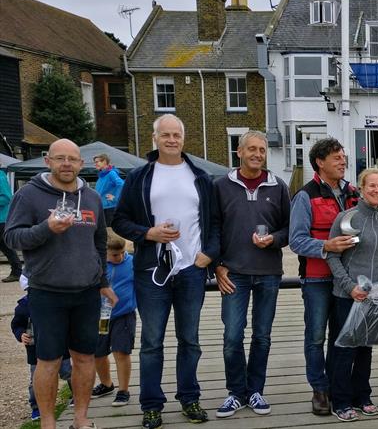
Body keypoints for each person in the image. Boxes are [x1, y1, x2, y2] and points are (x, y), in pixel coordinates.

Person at [112, 114, 219, 428]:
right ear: (155, 138)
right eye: (166, 135)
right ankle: (151, 405)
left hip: (191, 270)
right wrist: (148, 233)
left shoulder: (200, 176)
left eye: (177, 135)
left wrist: (208, 255)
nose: (172, 140)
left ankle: (189, 398)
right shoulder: (139, 177)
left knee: (190, 340)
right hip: (151, 270)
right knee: (152, 341)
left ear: (184, 139)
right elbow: (119, 220)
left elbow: (214, 224)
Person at [4, 138, 117, 429]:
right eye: (60, 158)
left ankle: (80, 419)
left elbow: (99, 241)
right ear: (48, 161)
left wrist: (103, 281)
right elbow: (12, 237)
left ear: (81, 163)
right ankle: (48, 423)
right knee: (49, 361)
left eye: (72, 159)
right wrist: (46, 228)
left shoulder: (91, 197)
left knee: (84, 358)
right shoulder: (29, 195)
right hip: (47, 292)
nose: (66, 164)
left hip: (87, 292)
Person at [213, 131, 290, 418]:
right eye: (252, 149)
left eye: (262, 150)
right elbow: (213, 227)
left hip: (269, 272)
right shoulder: (221, 185)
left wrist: (274, 239)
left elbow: (288, 229)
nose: (258, 154)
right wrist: (217, 265)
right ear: (239, 151)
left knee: (262, 336)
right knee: (232, 336)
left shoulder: (278, 186)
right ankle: (236, 392)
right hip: (233, 272)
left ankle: (255, 390)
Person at [289, 137, 359, 416]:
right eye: (336, 158)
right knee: (316, 336)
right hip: (317, 279)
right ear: (320, 162)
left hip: (347, 278)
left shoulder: (353, 192)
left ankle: (336, 384)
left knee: (341, 336)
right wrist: (325, 246)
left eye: (343, 157)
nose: (343, 161)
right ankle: (319, 388)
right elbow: (296, 241)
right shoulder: (305, 196)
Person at [326, 168, 378, 422]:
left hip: (375, 294)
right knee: (345, 349)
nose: (377, 190)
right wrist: (348, 287)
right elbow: (333, 256)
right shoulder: (348, 218)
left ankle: (362, 395)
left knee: (366, 348)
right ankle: (341, 400)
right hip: (349, 295)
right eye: (372, 186)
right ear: (361, 189)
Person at [11, 275, 73, 422]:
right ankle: (36, 406)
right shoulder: (23, 307)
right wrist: (21, 335)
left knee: (68, 372)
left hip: (60, 347)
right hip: (35, 350)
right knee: (35, 379)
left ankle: (76, 395)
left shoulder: (57, 303)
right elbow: (16, 325)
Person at [91, 232, 137, 407]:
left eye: (121, 253)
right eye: (114, 255)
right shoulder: (97, 264)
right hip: (100, 315)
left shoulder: (132, 263)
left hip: (124, 314)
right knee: (98, 352)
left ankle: (123, 390)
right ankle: (106, 383)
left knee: (121, 351)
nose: (119, 257)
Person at [1, 167, 24, 282]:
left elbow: (6, 197)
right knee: (5, 246)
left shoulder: (0, 176)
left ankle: (17, 271)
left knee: (6, 246)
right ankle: (17, 271)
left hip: (1, 218)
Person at [93, 153, 125, 225]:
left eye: (97, 162)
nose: (95, 164)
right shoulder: (101, 175)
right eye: (95, 162)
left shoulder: (111, 173)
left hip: (110, 208)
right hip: (102, 207)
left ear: (104, 161)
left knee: (110, 232)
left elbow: (122, 184)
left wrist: (115, 197)